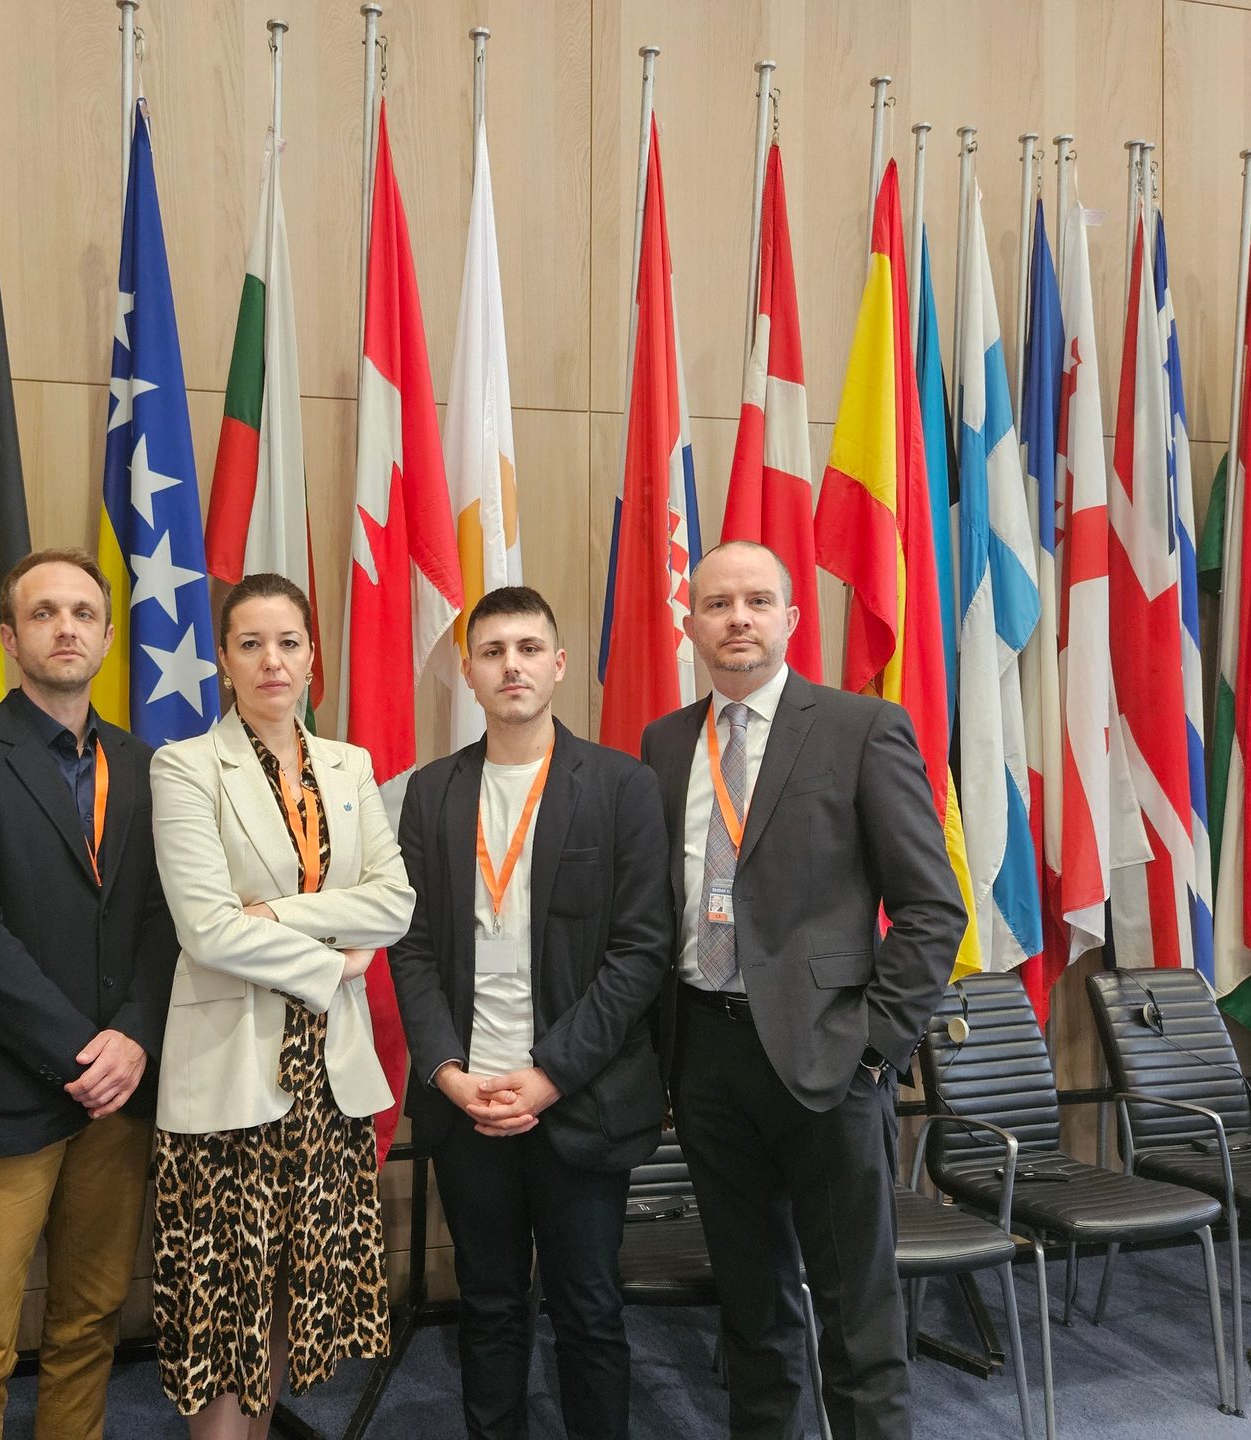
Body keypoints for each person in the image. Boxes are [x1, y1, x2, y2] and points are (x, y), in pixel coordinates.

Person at [642, 540, 965, 1440]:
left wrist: (875, 1045)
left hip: (829, 1056)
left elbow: (934, 908)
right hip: (704, 1056)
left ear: (790, 618)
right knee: (752, 1307)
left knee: (857, 1312)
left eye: (756, 601)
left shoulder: (863, 726)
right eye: (716, 604)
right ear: (691, 623)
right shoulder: (666, 742)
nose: (735, 618)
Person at [389, 586, 672, 1440]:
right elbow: (411, 949)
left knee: (589, 1310)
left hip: (579, 1097)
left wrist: (548, 1075)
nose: (510, 664)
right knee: (489, 1307)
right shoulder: (430, 794)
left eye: (527, 647)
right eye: (491, 651)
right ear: (468, 673)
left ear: (556, 665)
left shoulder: (624, 787)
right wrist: (445, 1071)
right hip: (466, 1098)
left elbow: (639, 953)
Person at [0, 548, 178, 1439]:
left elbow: (161, 924)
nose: (66, 627)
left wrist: (134, 1037)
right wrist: (83, 1055)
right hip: (5, 1094)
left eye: (82, 613)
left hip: (121, 1097)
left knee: (89, 1322)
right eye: (42, 613)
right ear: (7, 638)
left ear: (106, 637)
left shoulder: (148, 767)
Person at [147, 572, 415, 1439]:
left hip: (326, 1085)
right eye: (251, 643)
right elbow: (207, 932)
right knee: (221, 1307)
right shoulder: (184, 766)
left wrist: (277, 918)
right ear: (223, 660)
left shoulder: (350, 765)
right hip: (229, 1078)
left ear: (311, 657)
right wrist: (333, 965)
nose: (272, 661)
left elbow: (394, 903)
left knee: (286, 1299)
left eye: (289, 642)